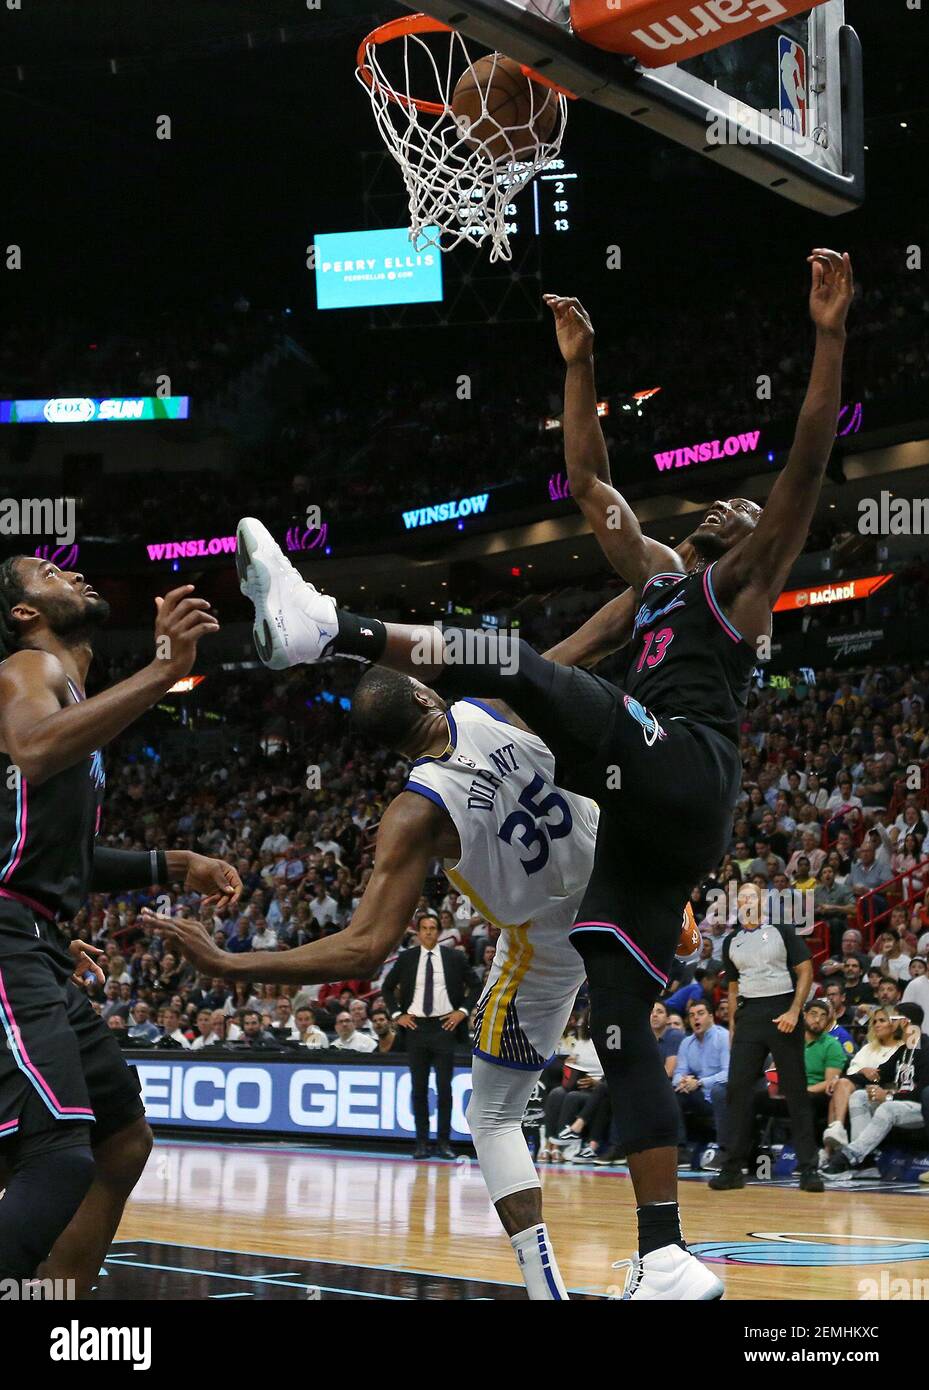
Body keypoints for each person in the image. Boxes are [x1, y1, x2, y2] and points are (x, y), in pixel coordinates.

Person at [224, 248, 852, 1298]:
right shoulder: (657, 578)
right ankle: (662, 1253)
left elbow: (800, 469)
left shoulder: (736, 591)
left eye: (739, 515)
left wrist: (827, 337)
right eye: (719, 509)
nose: (726, 511)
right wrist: (579, 362)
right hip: (646, 836)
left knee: (506, 659)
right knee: (616, 1025)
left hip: (687, 769)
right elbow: (588, 485)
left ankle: (320, 626)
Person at [0, 555, 239, 1293]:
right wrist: (167, 669)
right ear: (23, 612)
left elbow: (61, 849)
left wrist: (172, 863)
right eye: (47, 572)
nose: (71, 573)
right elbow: (34, 753)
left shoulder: (68, 693)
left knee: (121, 1139)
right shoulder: (26, 669)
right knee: (58, 1156)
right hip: (8, 940)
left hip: (32, 939)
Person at [711, 884, 824, 1192]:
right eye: (742, 896)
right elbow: (733, 990)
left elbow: (806, 971)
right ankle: (733, 1168)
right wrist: (734, 1029)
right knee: (736, 1090)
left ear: (762, 902)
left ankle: (808, 1169)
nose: (747, 900)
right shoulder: (731, 941)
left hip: (782, 1011)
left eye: (752, 896)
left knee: (795, 1090)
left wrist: (794, 1011)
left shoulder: (783, 930)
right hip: (749, 1017)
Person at [382, 915, 479, 1155]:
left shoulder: (454, 957)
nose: (428, 933)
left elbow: (476, 985)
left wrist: (462, 1012)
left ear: (439, 931)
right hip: (415, 1028)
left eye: (432, 929)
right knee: (419, 1088)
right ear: (417, 932)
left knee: (444, 1088)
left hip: (444, 1027)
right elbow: (386, 987)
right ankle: (421, 1143)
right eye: (424, 929)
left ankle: (444, 1143)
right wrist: (397, 1015)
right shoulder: (406, 958)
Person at [822, 1003, 929, 1179]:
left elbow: (924, 1094)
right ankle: (866, 1163)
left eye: (893, 1019)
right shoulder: (903, 1049)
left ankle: (848, 1157)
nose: (890, 1023)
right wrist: (843, 1077)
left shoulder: (926, 1048)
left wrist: (888, 1096)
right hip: (902, 1105)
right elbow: (877, 1076)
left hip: (921, 1110)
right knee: (859, 1096)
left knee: (888, 1108)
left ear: (904, 1022)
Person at [671, 999, 729, 1157]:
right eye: (691, 1015)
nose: (695, 1018)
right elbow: (679, 1072)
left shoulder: (723, 1037)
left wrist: (699, 1082)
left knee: (718, 1091)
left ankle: (725, 1150)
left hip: (721, 1095)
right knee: (672, 1092)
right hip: (700, 1097)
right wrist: (682, 1081)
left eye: (700, 1014)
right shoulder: (686, 1043)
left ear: (711, 1016)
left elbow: (728, 1073)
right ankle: (680, 1149)